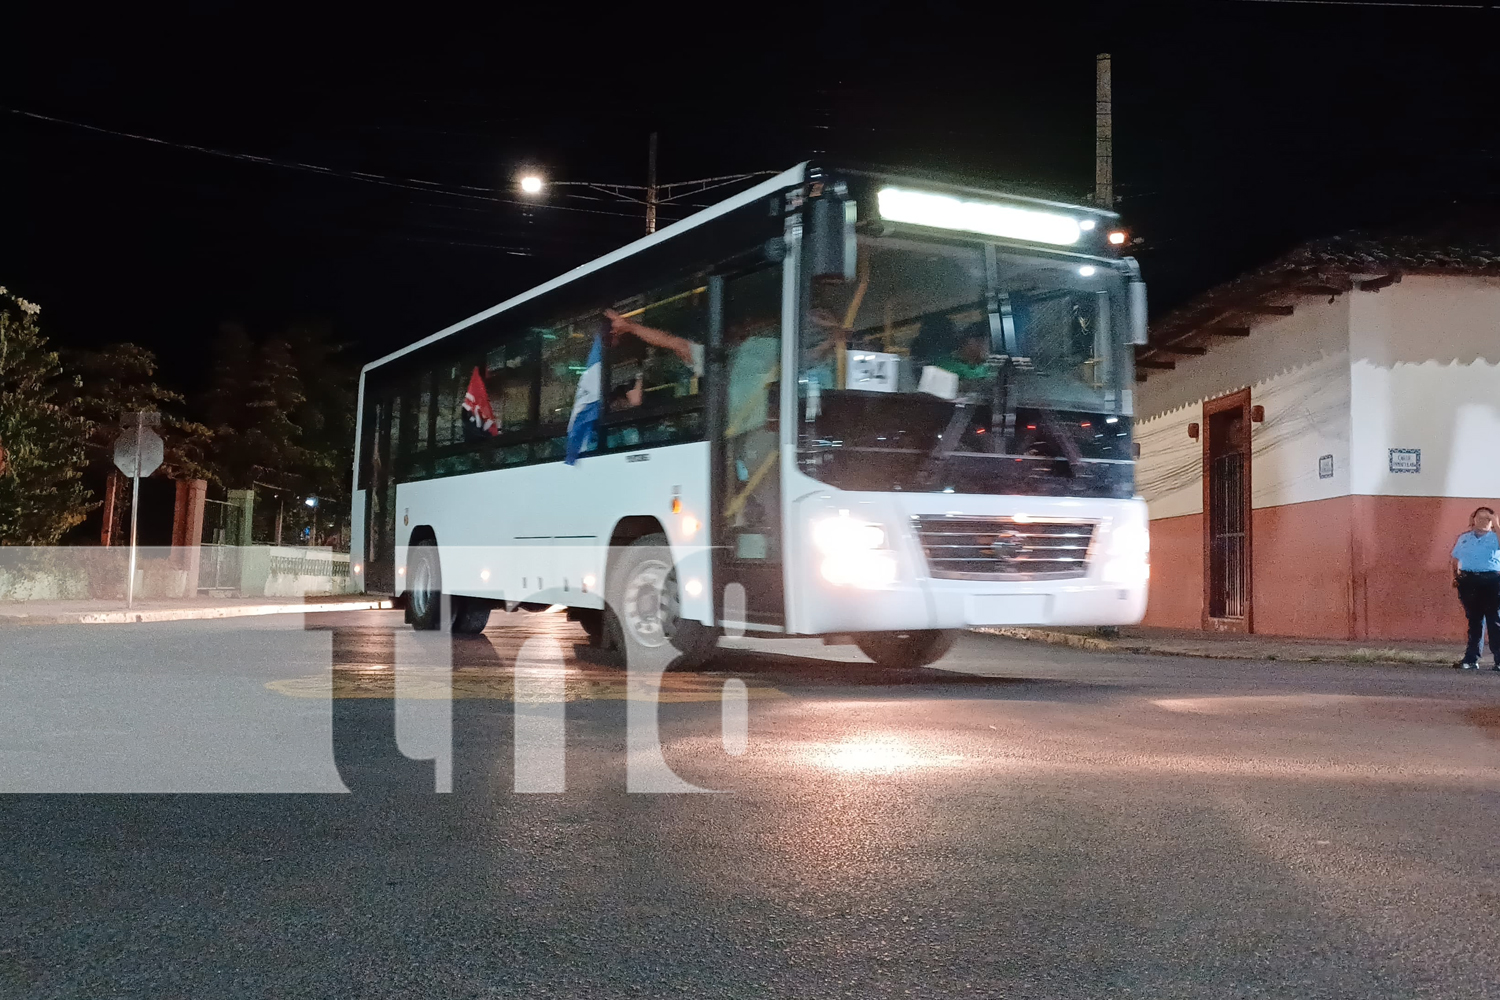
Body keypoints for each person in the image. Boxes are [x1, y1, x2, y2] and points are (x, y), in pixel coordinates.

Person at [1451, 505, 1500, 669]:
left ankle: (1499, 660)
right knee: (1474, 621)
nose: (1482, 521)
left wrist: (1496, 524)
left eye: (1487, 518)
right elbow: (1455, 558)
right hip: (1469, 581)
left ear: (1492, 521)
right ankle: (1471, 659)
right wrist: (1456, 577)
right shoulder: (1465, 538)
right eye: (1479, 517)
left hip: (1491, 581)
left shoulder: (1495, 537)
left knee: (1495, 621)